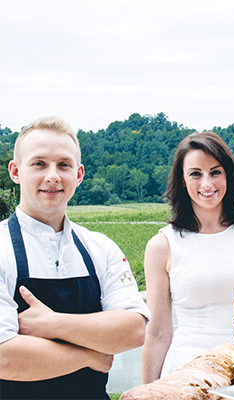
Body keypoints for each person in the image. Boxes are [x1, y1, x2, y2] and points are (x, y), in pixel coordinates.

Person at [0, 117, 150, 399]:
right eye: (39, 164)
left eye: (64, 165)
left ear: (79, 175)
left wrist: (51, 322)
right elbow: (4, 357)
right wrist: (93, 357)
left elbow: (132, 331)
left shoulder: (100, 248)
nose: (53, 176)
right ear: (15, 171)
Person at [141, 131, 234, 383]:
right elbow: (158, 333)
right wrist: (146, 391)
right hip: (185, 369)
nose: (207, 184)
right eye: (196, 174)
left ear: (228, 175)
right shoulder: (161, 246)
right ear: (183, 180)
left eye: (215, 172)